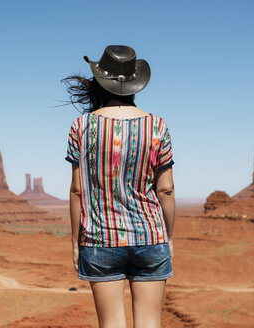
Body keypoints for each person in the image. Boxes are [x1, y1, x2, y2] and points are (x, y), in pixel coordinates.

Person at [63, 45, 175, 328]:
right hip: (150, 236)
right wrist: (168, 237)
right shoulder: (157, 126)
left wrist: (76, 243)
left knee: (111, 324)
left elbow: (77, 191)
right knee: (150, 323)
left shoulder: (81, 126)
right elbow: (166, 191)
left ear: (101, 82)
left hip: (100, 239)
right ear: (135, 83)